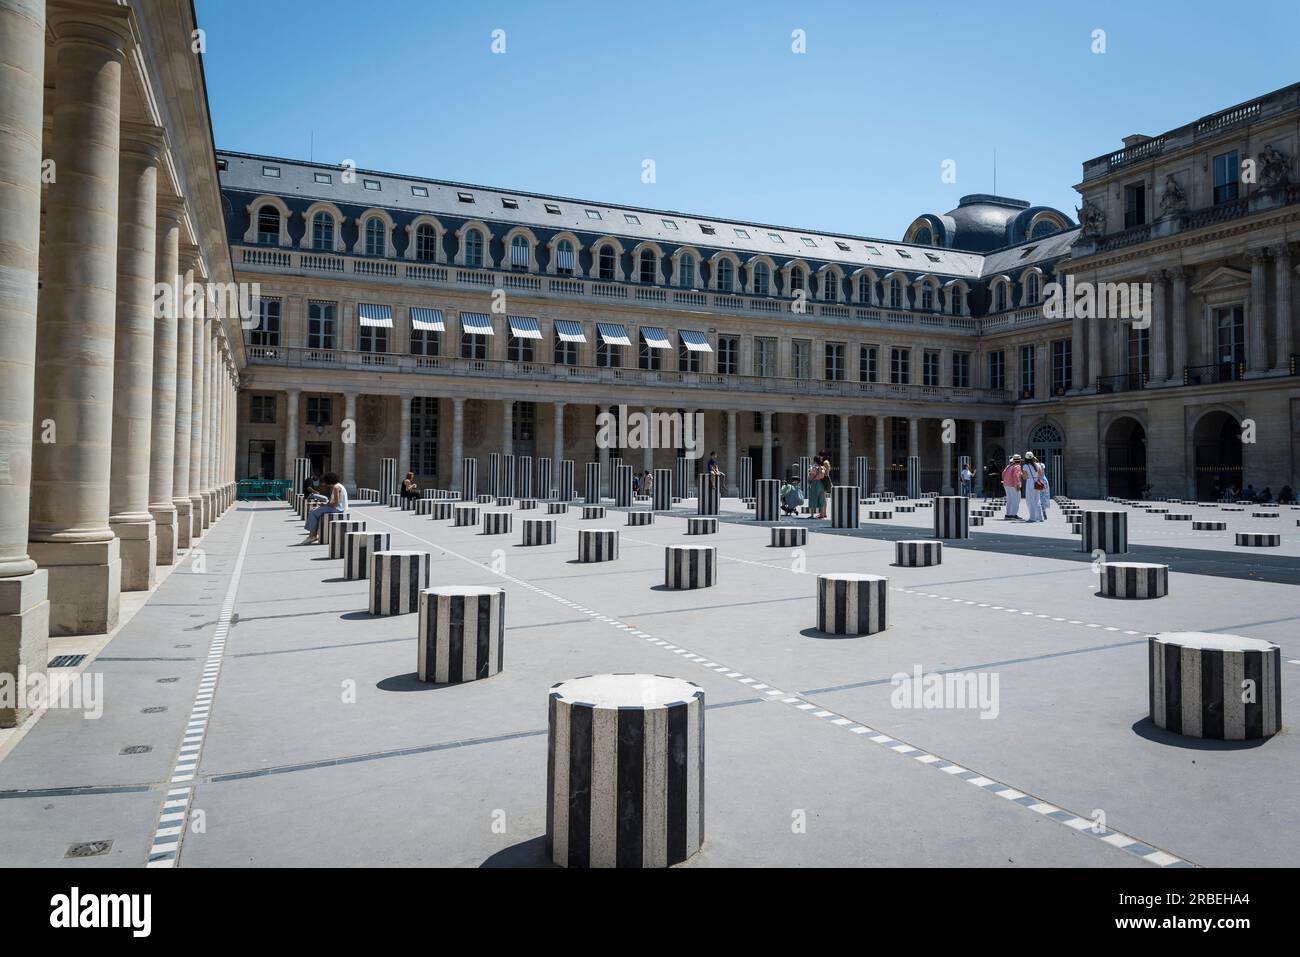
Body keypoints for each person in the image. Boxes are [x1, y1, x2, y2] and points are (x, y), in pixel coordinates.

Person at [302, 472, 348, 544]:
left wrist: (326, 505)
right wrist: (325, 504)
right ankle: (313, 533)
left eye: (324, 481)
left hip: (338, 509)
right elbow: (333, 502)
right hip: (338, 508)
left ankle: (312, 535)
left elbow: (335, 503)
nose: (324, 483)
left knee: (313, 513)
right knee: (314, 510)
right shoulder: (339, 486)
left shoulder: (336, 487)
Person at [1022, 453, 1045, 522]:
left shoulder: (1025, 466)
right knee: (1037, 500)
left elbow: (1024, 477)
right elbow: (1041, 474)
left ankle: (1032, 517)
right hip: (1037, 481)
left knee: (1030, 500)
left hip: (1030, 482)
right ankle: (1040, 517)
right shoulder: (1038, 465)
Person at [1001, 454, 1023, 519]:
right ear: (1019, 461)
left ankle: (1008, 514)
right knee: (1016, 500)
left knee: (1010, 500)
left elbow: (1003, 474)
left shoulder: (1008, 466)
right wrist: (1018, 484)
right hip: (1013, 485)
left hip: (1006, 484)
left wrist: (1005, 480)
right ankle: (1013, 514)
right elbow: (1016, 476)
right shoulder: (1017, 466)